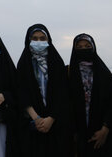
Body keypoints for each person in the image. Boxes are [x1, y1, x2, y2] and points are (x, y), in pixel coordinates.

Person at [16, 24, 69, 156]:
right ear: (28, 40)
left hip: (55, 123)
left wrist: (51, 118)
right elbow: (20, 91)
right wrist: (36, 118)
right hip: (32, 123)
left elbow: (62, 92)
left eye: (42, 38)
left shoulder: (56, 62)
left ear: (48, 40)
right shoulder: (24, 63)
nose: (38, 41)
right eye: (34, 38)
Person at [68, 33, 112, 156]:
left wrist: (105, 128)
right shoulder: (68, 74)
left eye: (87, 46)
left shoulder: (103, 72)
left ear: (93, 48)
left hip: (102, 133)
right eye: (80, 47)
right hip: (78, 135)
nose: (84, 49)